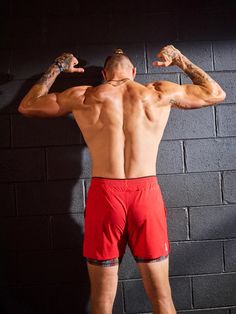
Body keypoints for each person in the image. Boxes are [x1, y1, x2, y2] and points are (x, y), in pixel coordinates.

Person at [18, 45, 226, 314]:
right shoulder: (157, 92)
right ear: (134, 72)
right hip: (145, 194)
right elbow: (216, 93)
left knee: (102, 303)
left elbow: (27, 105)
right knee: (162, 300)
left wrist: (58, 65)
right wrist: (179, 60)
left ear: (105, 74)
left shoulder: (84, 95)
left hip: (105, 195)